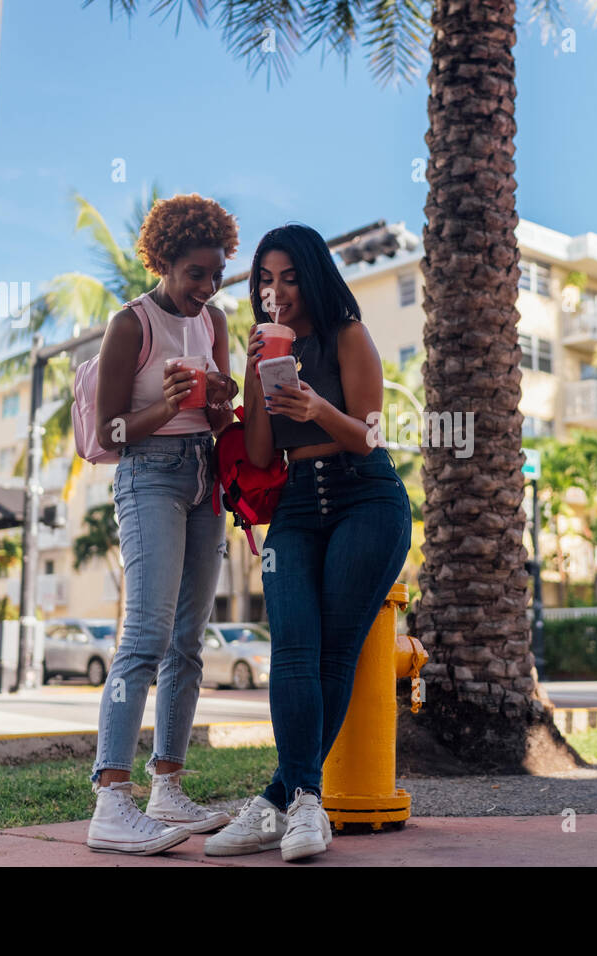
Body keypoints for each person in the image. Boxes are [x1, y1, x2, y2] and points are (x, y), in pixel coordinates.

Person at [203, 224, 411, 863]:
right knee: (292, 647)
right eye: (265, 280)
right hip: (295, 504)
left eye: (289, 276)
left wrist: (316, 406)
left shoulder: (350, 336)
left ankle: (286, 806)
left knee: (334, 653)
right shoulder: (264, 350)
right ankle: (293, 806)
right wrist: (256, 380)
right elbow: (263, 454)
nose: (275, 291)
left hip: (365, 497)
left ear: (314, 276)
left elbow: (368, 436)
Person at [85, 194, 242, 855]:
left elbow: (220, 421)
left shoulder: (216, 323)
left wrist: (223, 400)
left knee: (187, 642)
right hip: (147, 472)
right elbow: (108, 431)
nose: (205, 289)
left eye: (216, 275)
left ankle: (167, 785)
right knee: (144, 636)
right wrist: (167, 406)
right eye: (195, 274)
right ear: (165, 260)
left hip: (203, 474)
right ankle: (111, 800)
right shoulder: (132, 323)